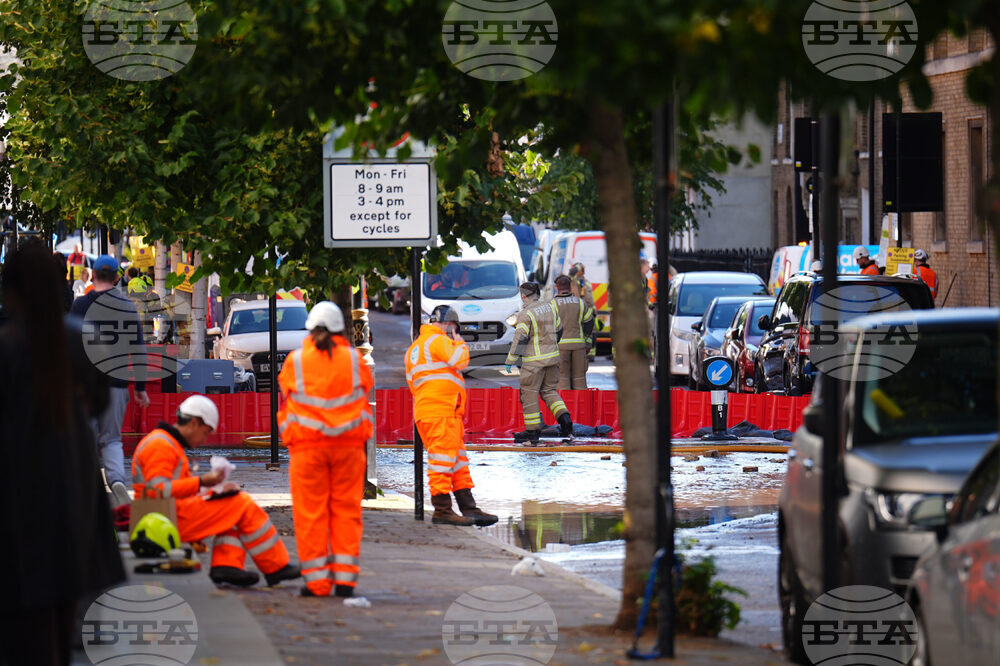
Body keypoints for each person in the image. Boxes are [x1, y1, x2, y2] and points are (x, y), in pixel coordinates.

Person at [0, 240, 125, 665]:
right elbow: (101, 405)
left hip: (18, 489)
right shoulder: (79, 341)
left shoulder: (8, 346)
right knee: (63, 606)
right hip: (72, 481)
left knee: (25, 623)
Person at [133, 395, 301, 587]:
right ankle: (275, 567)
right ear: (194, 423)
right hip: (163, 520)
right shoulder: (161, 446)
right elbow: (157, 491)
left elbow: (166, 490)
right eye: (205, 433)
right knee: (241, 503)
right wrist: (203, 482)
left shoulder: (164, 443)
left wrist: (210, 490)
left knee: (231, 504)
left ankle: (227, 566)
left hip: (162, 516)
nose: (204, 439)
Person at [277, 302, 375, 597]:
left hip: (308, 448)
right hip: (348, 446)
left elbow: (287, 391)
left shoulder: (295, 361)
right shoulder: (354, 359)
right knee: (346, 511)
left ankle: (317, 582)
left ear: (311, 328)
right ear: (340, 329)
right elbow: (365, 386)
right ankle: (345, 580)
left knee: (310, 514)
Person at [70, 254, 151, 507]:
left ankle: (86, 487)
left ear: (93, 275)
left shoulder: (80, 306)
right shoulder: (127, 307)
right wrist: (140, 387)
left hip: (84, 385)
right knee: (112, 439)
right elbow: (138, 349)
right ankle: (116, 481)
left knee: (85, 437)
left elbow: (70, 346)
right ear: (117, 278)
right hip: (116, 383)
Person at [405, 305, 498, 527]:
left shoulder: (415, 349)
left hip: (433, 411)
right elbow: (461, 360)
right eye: (454, 327)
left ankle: (468, 508)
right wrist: (459, 341)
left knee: (455, 461)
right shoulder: (438, 340)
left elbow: (413, 384)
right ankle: (443, 510)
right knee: (443, 461)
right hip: (442, 412)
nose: (454, 331)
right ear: (448, 324)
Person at [506, 282, 572, 443]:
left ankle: (532, 432)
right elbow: (559, 329)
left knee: (529, 394)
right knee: (549, 391)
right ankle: (566, 421)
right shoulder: (550, 307)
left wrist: (510, 360)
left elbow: (520, 339)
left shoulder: (525, 314)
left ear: (523, 296)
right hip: (553, 358)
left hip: (533, 362)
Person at [553, 275, 594, 390]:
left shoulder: (552, 305)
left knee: (562, 378)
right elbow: (589, 323)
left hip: (560, 347)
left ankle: (566, 405)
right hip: (579, 346)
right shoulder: (580, 303)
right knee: (579, 379)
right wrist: (587, 342)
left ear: (557, 287)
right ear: (570, 287)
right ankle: (581, 405)